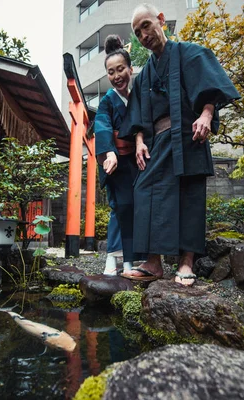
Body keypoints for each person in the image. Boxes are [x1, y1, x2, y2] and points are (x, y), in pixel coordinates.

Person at [120, 4, 240, 286]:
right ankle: (154, 262)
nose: (143, 35)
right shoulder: (145, 74)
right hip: (157, 142)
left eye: (146, 26)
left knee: (190, 194)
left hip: (188, 136)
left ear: (161, 21)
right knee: (144, 188)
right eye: (137, 32)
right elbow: (136, 114)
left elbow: (210, 88)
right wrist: (138, 141)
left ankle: (187, 262)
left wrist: (207, 114)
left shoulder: (189, 52)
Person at [95, 34, 145, 276]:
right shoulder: (107, 101)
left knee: (137, 207)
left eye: (121, 69)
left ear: (130, 69)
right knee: (120, 207)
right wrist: (109, 153)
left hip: (137, 162)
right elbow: (102, 125)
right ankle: (111, 261)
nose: (117, 76)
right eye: (111, 72)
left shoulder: (138, 95)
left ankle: (130, 261)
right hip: (117, 163)